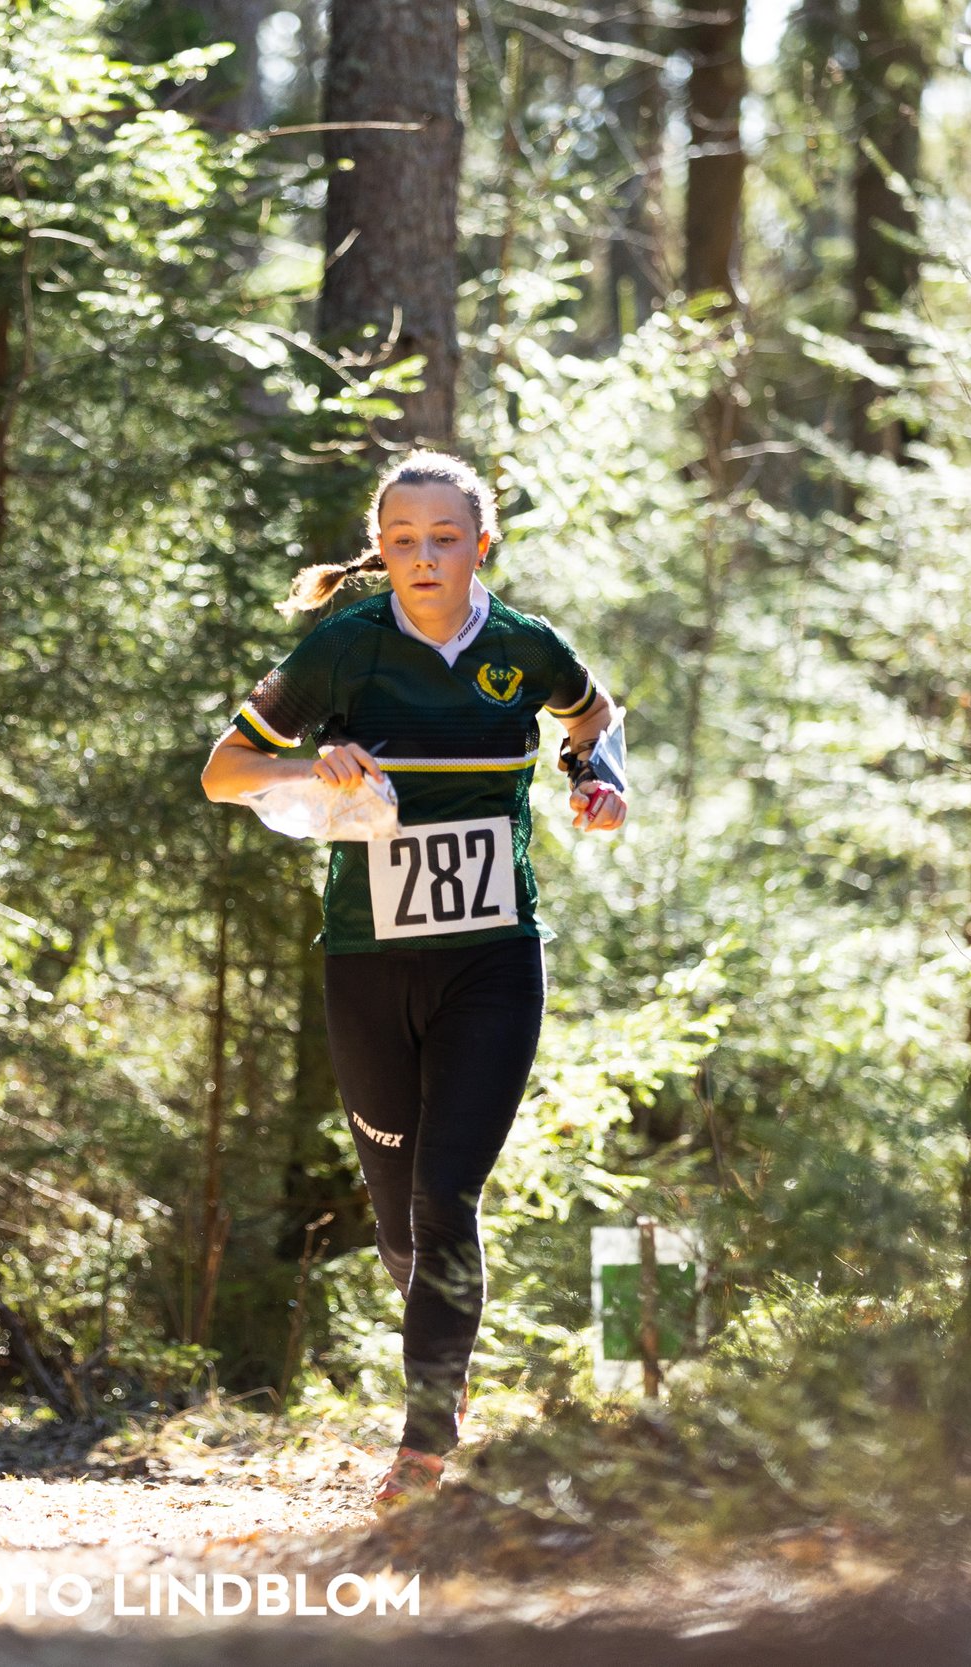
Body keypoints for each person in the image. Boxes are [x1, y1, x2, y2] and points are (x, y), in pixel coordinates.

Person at [200, 450, 627, 1506]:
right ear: (378, 549)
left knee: (447, 1193)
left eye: (444, 538)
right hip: (367, 962)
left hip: (493, 955)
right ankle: (446, 1353)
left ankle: (423, 1443)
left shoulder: (528, 649)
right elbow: (223, 770)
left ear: (481, 543)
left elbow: (594, 714)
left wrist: (594, 772)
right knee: (397, 1218)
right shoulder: (342, 649)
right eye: (401, 541)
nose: (423, 558)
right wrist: (313, 766)